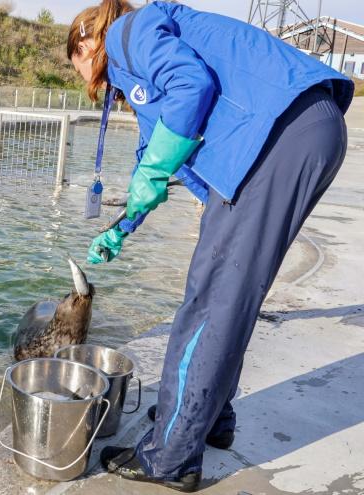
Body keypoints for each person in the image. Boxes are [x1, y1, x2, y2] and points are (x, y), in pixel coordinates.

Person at [68, 1, 353, 492]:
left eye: (73, 59)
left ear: (85, 41)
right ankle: (208, 417)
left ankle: (170, 455)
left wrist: (152, 171)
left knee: (210, 299)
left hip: (278, 135)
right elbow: (159, 155)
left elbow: (190, 86)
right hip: (298, 131)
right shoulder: (143, 68)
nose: (79, 72)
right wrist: (121, 227)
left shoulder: (127, 32)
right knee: (230, 293)